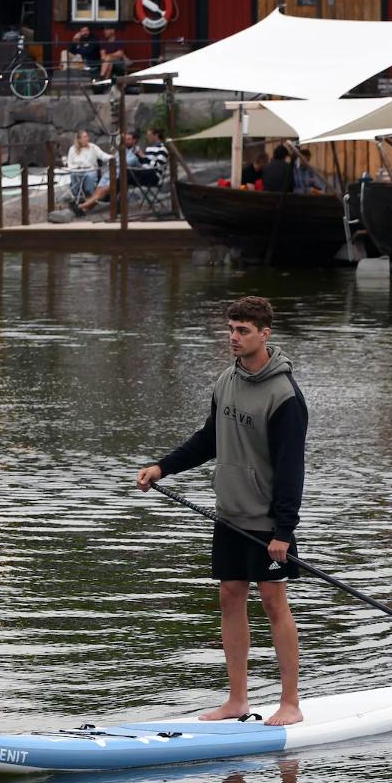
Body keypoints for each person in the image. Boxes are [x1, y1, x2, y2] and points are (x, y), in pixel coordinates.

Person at [136, 295, 308, 726]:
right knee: (230, 597)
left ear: (264, 334)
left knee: (273, 602)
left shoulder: (285, 396)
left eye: (243, 330)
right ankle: (237, 701)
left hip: (267, 521)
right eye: (231, 329)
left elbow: (291, 469)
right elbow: (209, 439)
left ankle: (291, 703)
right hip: (229, 514)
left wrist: (283, 532)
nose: (234, 337)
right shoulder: (225, 381)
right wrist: (162, 467)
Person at [66, 129, 110, 215]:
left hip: (90, 169)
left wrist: (112, 157)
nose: (87, 139)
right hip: (77, 170)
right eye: (85, 137)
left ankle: (90, 195)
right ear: (79, 139)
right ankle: (78, 197)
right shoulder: (72, 149)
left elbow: (102, 155)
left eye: (87, 136)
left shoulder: (93, 147)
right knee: (73, 175)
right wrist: (75, 168)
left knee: (90, 176)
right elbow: (69, 163)